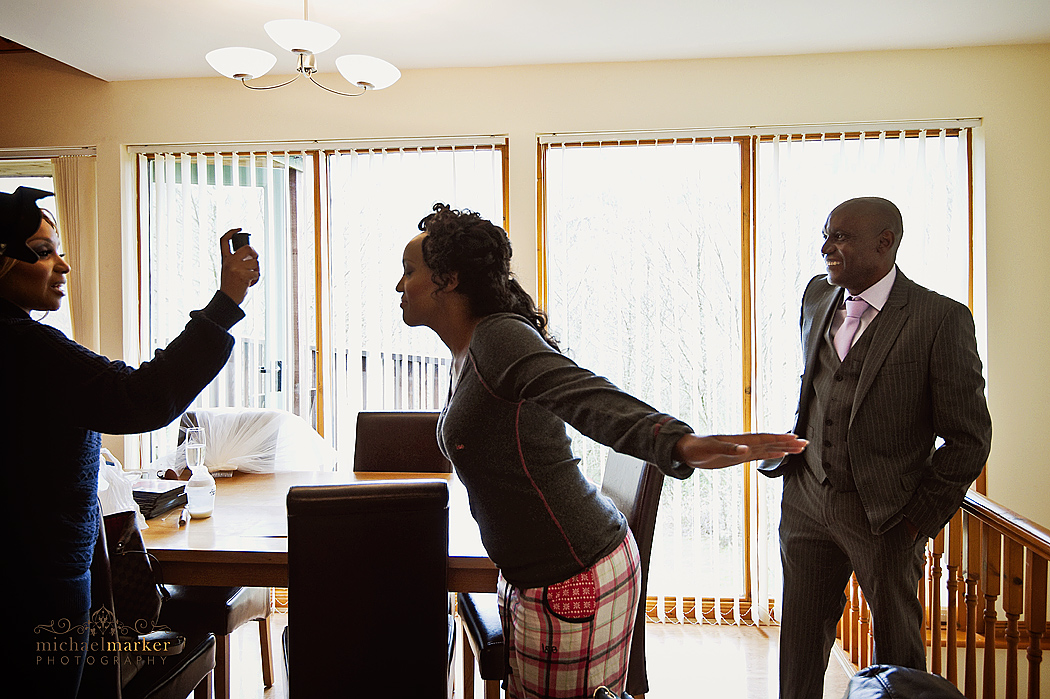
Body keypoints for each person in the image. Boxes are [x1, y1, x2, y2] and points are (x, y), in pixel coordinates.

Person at [397, 203, 807, 698]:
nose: (400, 286)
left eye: (409, 271)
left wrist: (679, 443)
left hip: (572, 575)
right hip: (534, 570)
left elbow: (585, 395)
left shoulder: (499, 338)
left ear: (448, 279)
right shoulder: (470, 350)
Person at [0, 186, 260, 698]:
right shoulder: (26, 348)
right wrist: (226, 304)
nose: (62, 266)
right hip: (41, 579)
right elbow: (141, 397)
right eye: (42, 251)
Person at [758, 196, 992, 699]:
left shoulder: (940, 318)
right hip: (805, 498)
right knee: (799, 640)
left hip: (886, 515)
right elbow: (818, 387)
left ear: (885, 242)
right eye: (826, 234)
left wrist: (916, 521)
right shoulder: (817, 296)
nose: (826, 247)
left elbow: (970, 438)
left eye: (839, 236)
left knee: (898, 656)